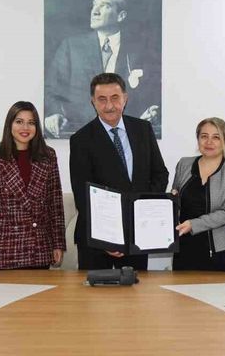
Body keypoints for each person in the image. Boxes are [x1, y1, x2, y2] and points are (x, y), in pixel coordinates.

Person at [69, 72, 168, 270]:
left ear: (125, 98)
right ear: (93, 102)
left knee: (136, 289)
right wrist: (107, 237)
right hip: (96, 241)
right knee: (95, 290)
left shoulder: (143, 129)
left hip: (137, 234)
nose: (109, 106)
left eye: (115, 98)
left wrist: (143, 209)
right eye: (102, 99)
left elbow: (160, 174)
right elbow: (83, 195)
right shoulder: (81, 139)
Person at [45, 0, 160, 138]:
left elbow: (153, 93)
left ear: (121, 16)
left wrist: (151, 111)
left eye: (105, 5)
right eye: (94, 5)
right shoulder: (71, 47)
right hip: (78, 132)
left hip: (126, 134)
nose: (95, 11)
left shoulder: (141, 50)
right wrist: (55, 113)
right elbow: (51, 90)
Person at [0, 101, 66, 271]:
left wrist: (58, 244)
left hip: (39, 249)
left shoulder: (48, 156)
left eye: (31, 123)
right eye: (19, 121)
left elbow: (55, 204)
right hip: (3, 250)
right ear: (9, 124)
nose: (25, 127)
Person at [170, 117, 225, 272]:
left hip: (223, 253)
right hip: (185, 249)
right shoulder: (184, 164)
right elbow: (175, 201)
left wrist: (193, 224)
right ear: (197, 139)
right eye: (204, 136)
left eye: (216, 137)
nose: (209, 142)